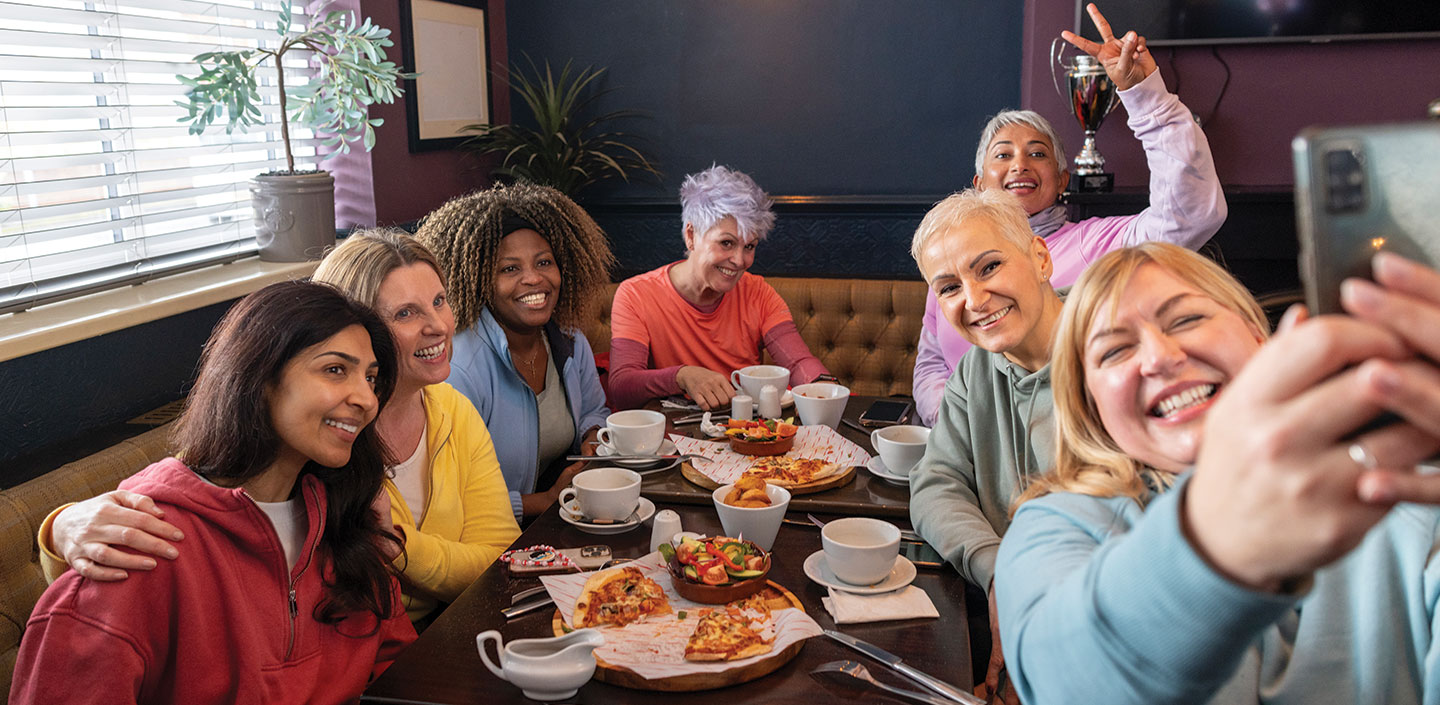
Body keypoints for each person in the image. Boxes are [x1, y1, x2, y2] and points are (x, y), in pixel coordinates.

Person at [996, 243, 1440, 704]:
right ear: (1091, 406)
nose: (1159, 357)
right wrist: (1215, 540)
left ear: (1258, 336)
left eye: (1186, 320)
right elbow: (1065, 684)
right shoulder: (1055, 523)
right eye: (1115, 351)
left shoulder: (1412, 491)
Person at [40, 231, 522, 624]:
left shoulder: (447, 408)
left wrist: (394, 543)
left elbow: (499, 555)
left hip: (429, 635)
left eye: (439, 301)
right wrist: (60, 526)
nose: (438, 325)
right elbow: (192, 491)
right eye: (405, 313)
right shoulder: (309, 445)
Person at [11, 281, 416, 704]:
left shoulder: (345, 518)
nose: (367, 399)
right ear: (260, 378)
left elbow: (402, 668)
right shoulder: (139, 546)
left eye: (371, 378)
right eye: (335, 369)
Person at [911, 2, 1227, 427]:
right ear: (979, 183)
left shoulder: (1099, 245)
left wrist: (1145, 94)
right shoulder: (952, 265)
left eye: (1036, 154)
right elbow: (931, 364)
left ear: (1062, 181)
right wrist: (963, 433)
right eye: (1003, 155)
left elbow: (1190, 213)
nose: (1020, 165)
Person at [906, 187, 1063, 703]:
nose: (973, 300)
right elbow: (934, 483)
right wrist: (999, 571)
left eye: (989, 267)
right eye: (949, 287)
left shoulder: (1111, 362)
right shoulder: (976, 369)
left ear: (1040, 257)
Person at [415, 183, 614, 521]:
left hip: (565, 515)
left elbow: (594, 410)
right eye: (510, 269)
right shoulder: (459, 367)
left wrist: (592, 437)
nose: (534, 279)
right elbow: (449, 499)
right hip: (493, 538)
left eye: (544, 262)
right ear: (479, 280)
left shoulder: (569, 340)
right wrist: (544, 501)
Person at [607, 165, 833, 411]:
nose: (739, 260)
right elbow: (621, 387)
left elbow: (798, 361)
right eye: (727, 243)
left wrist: (827, 390)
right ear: (691, 235)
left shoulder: (759, 293)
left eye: (749, 246)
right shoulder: (636, 294)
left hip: (745, 435)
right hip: (673, 439)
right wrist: (682, 376)